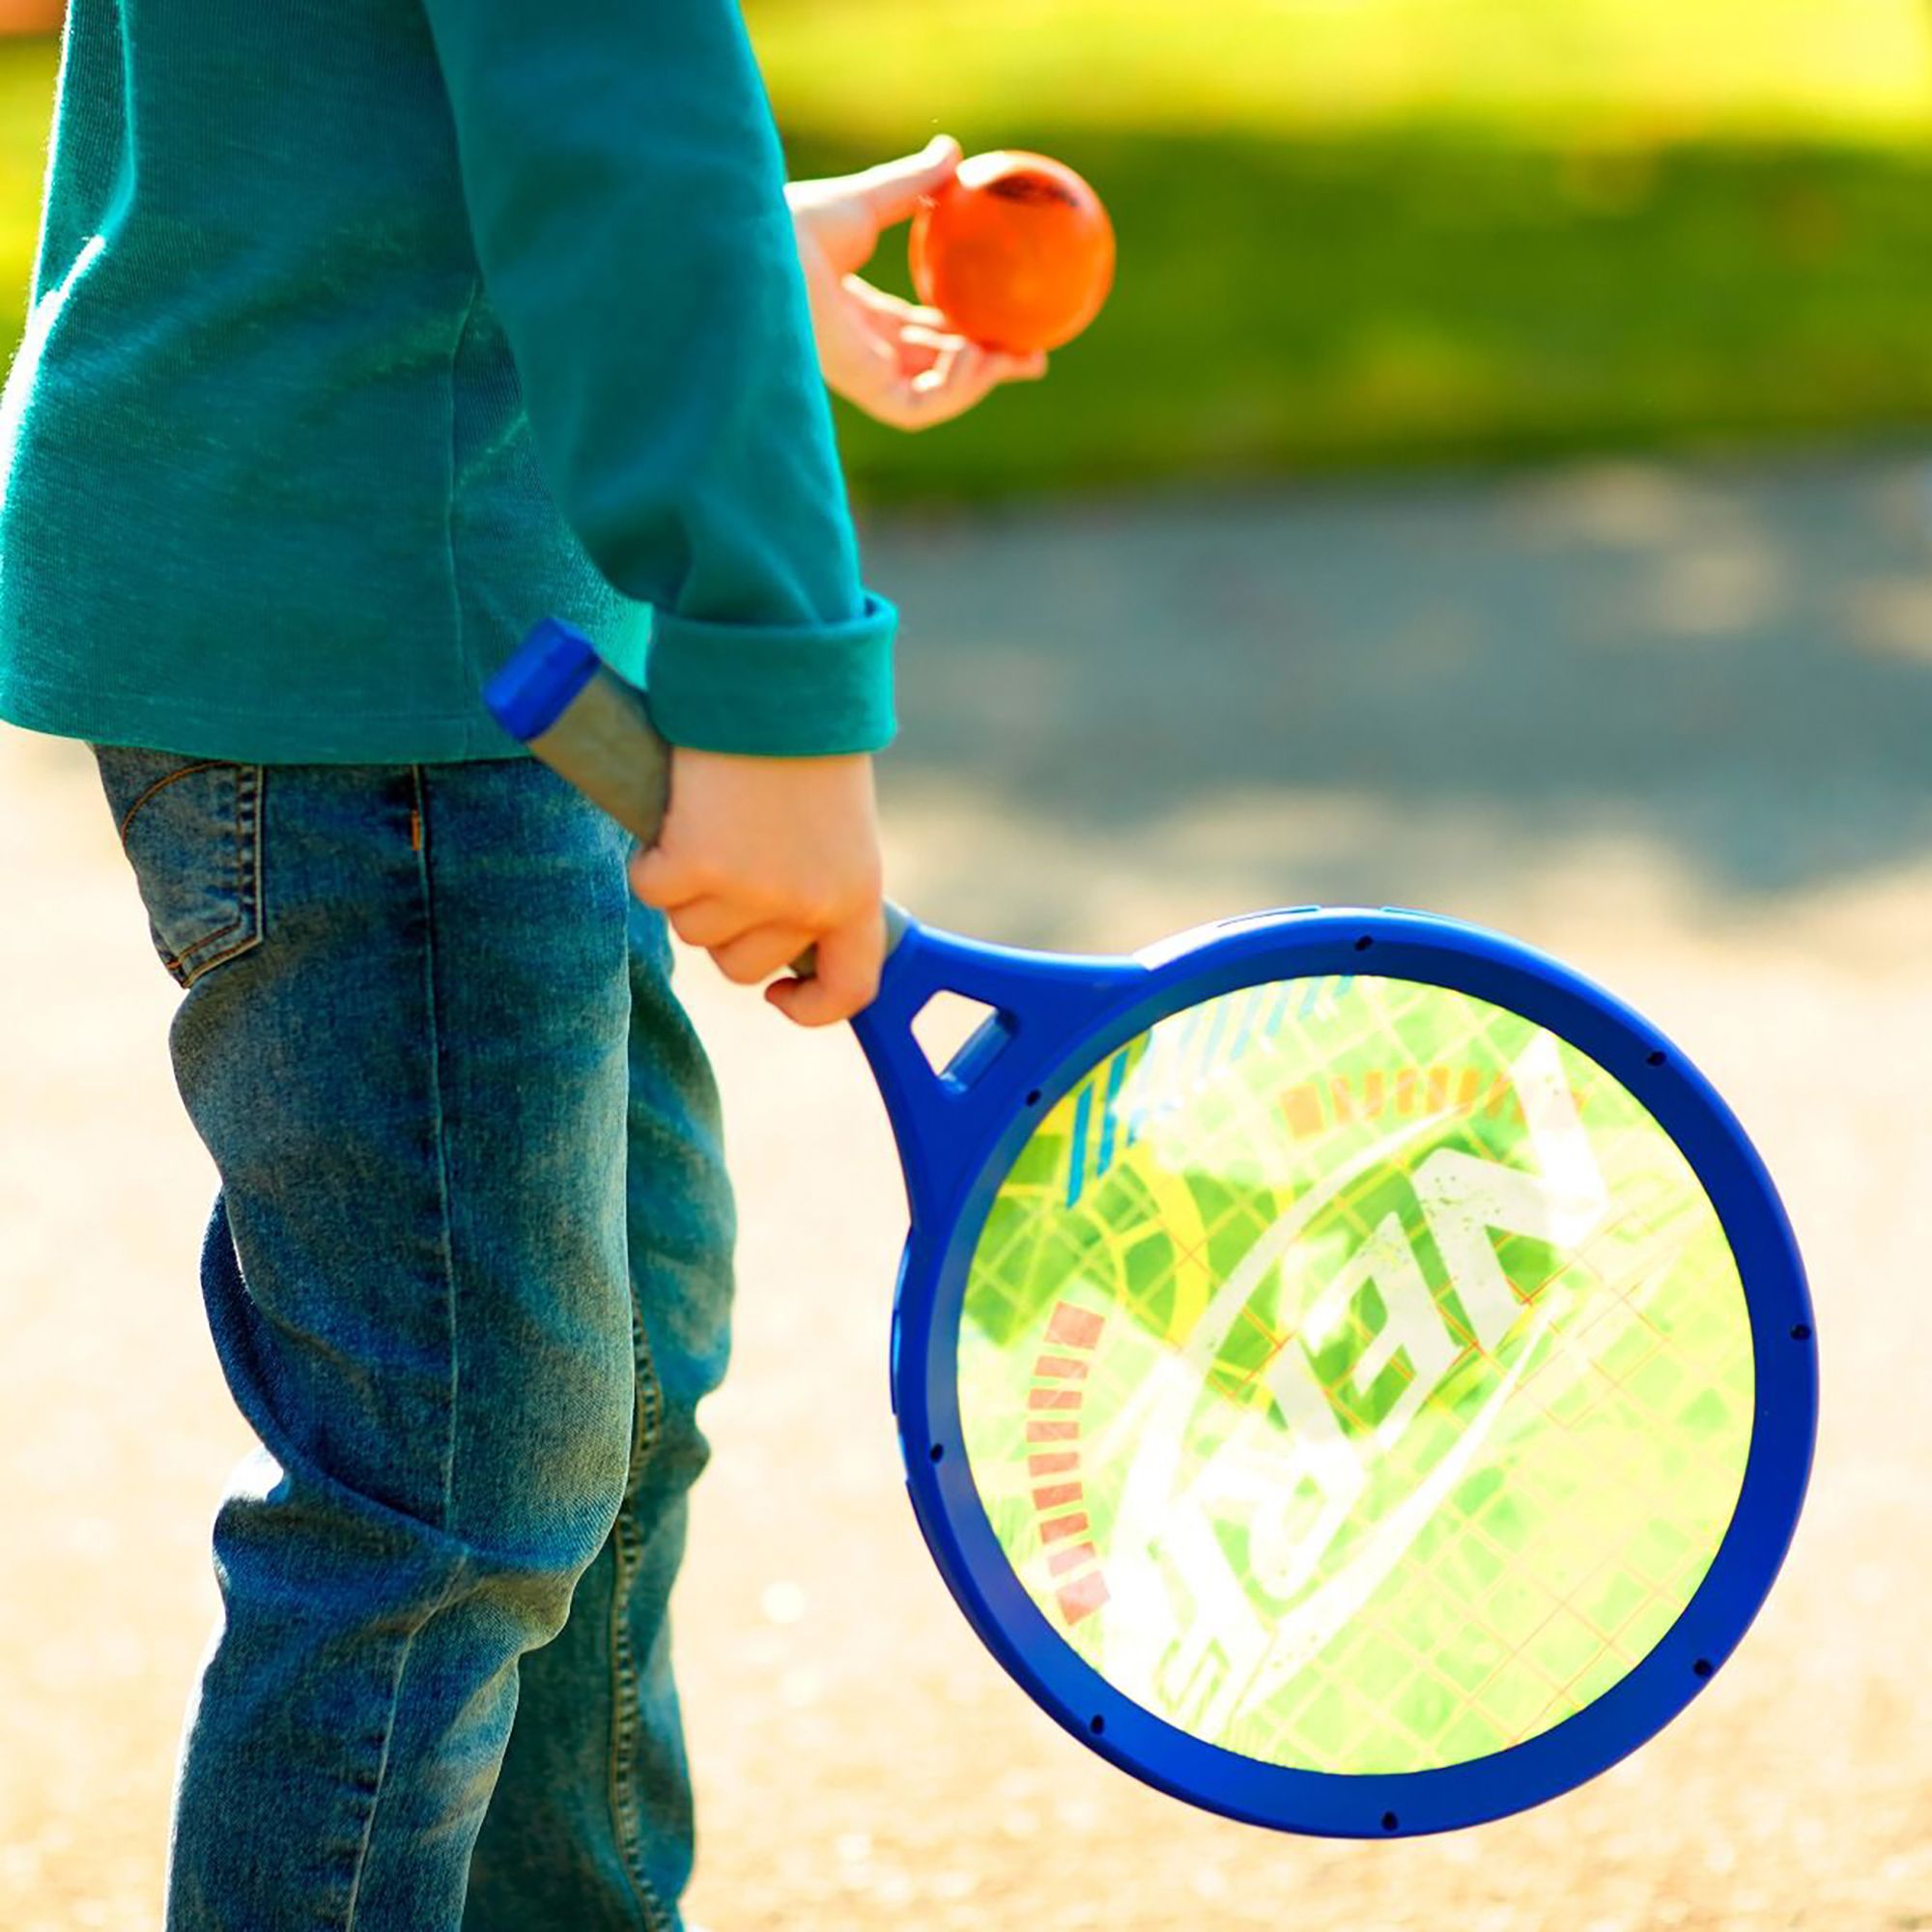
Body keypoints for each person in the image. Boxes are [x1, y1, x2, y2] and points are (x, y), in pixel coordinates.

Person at [0, 1, 1044, 1925]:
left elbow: (374, 93)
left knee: (607, 1384)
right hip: (388, 633)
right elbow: (612, 113)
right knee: (454, 1489)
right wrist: (782, 697)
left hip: (409, 573)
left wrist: (714, 259)